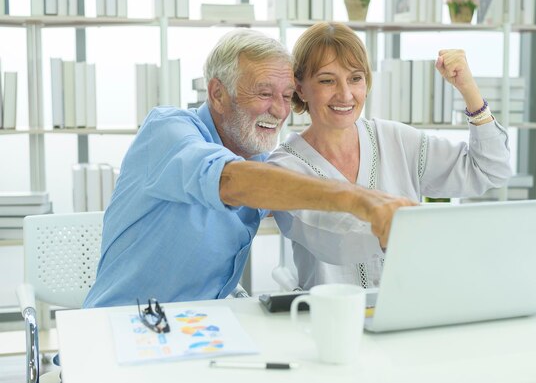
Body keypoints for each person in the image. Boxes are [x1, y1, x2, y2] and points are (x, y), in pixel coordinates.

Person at [83, 28, 415, 308]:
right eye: (264, 93)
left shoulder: (261, 161)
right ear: (217, 94)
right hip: (124, 324)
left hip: (202, 329)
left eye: (287, 96)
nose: (280, 110)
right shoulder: (167, 131)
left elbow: (324, 226)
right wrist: (359, 199)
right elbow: (229, 181)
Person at [267, 22, 513, 290]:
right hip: (332, 321)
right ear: (300, 88)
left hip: (411, 313)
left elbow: (490, 170)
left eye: (355, 78)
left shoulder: (395, 139)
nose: (345, 94)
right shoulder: (284, 168)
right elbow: (333, 240)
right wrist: (407, 230)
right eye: (327, 80)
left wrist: (468, 89)